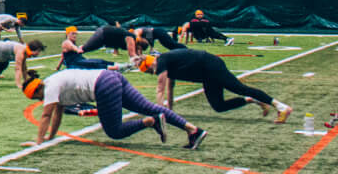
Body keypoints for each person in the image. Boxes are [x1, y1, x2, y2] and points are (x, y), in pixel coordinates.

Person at [26, 67, 204, 148]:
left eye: (37, 98)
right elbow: (58, 112)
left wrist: (39, 142)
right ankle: (192, 129)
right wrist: (50, 136)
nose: (40, 100)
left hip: (103, 87)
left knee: (114, 131)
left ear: (36, 92)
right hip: (111, 77)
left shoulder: (50, 88)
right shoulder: (53, 81)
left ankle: (150, 122)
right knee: (149, 106)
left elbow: (46, 116)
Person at [140, 51, 292, 122]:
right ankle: (254, 100)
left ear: (151, 63)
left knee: (239, 88)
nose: (150, 73)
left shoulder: (161, 61)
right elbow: (170, 89)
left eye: (148, 70)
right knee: (219, 106)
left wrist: (161, 115)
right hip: (206, 74)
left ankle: (281, 107)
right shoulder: (166, 65)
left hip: (211, 65)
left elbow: (160, 90)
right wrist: (170, 111)